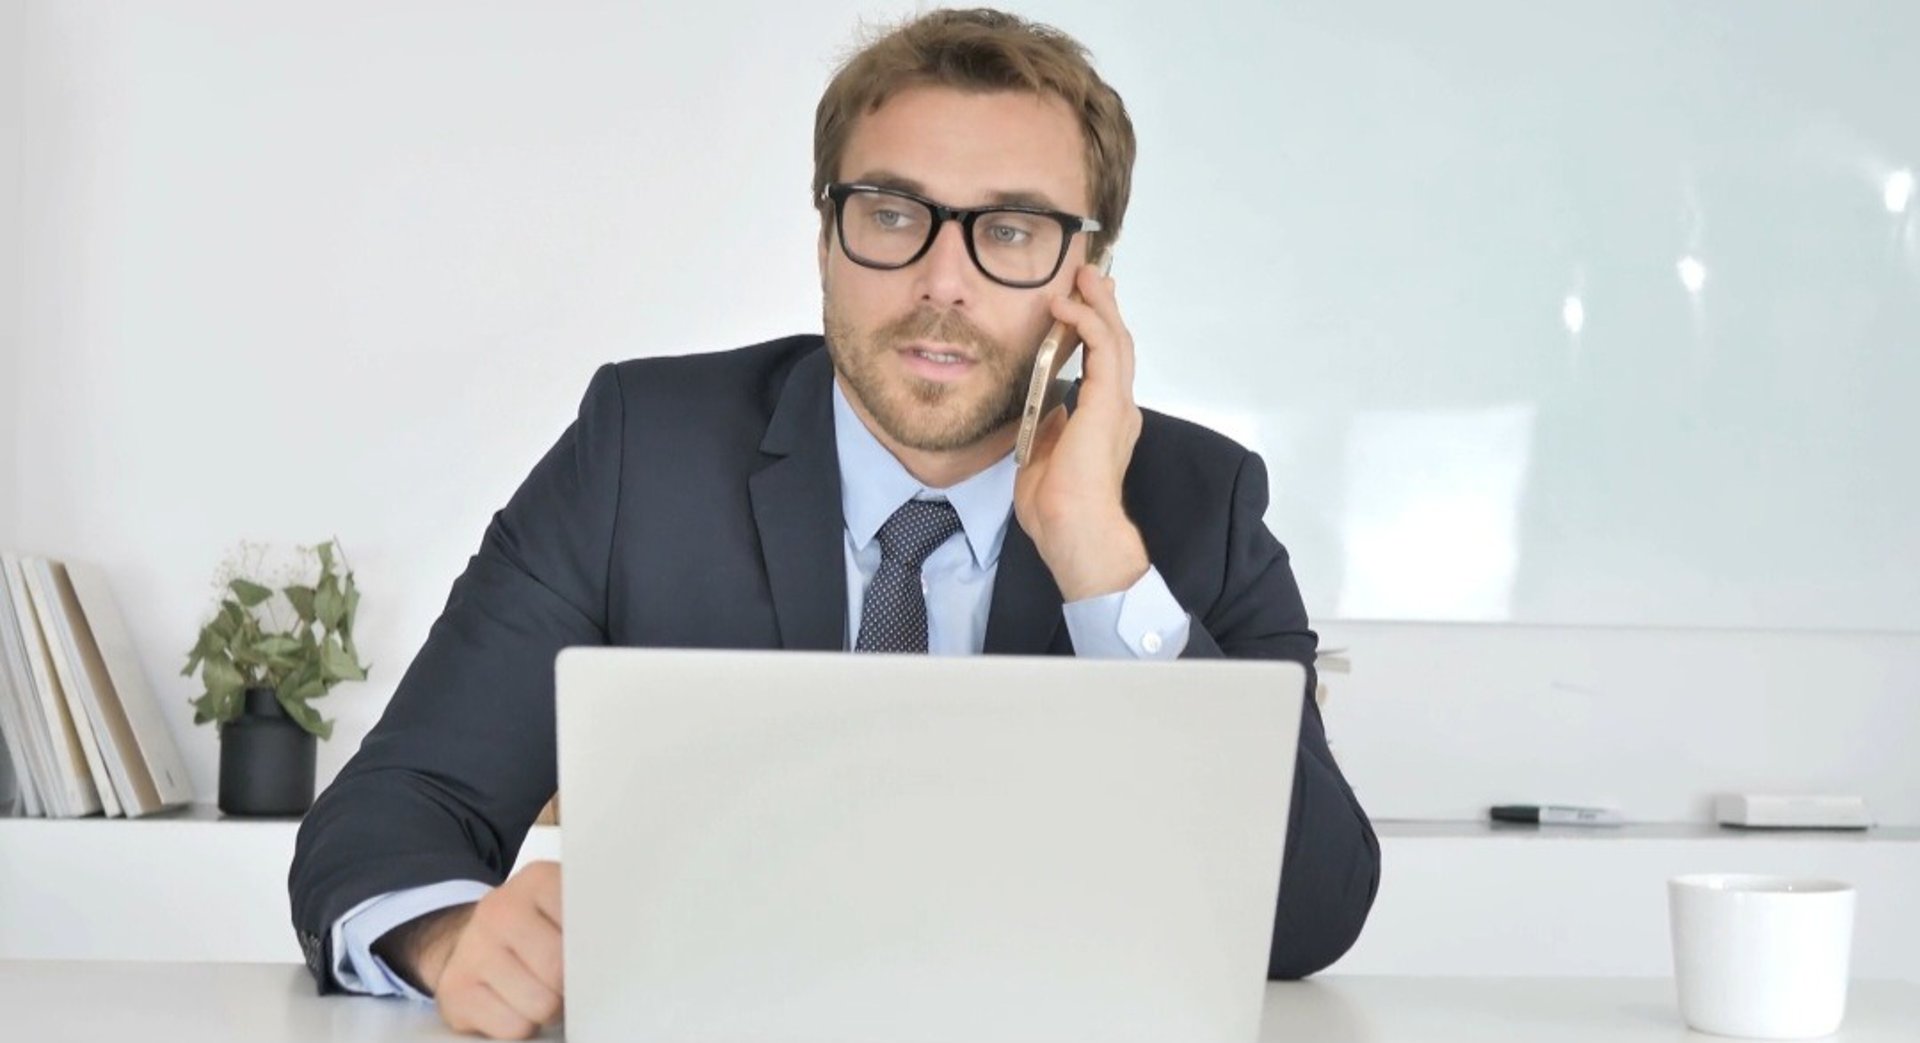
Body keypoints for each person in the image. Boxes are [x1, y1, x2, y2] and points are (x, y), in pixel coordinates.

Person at [289, 8, 1381, 1039]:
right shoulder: (642, 449)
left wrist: (1103, 563)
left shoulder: (1196, 500)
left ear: (1087, 279)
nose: (941, 281)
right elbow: (393, 809)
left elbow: (1313, 910)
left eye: (1011, 229)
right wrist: (448, 935)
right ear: (826, 239)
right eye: (893, 214)